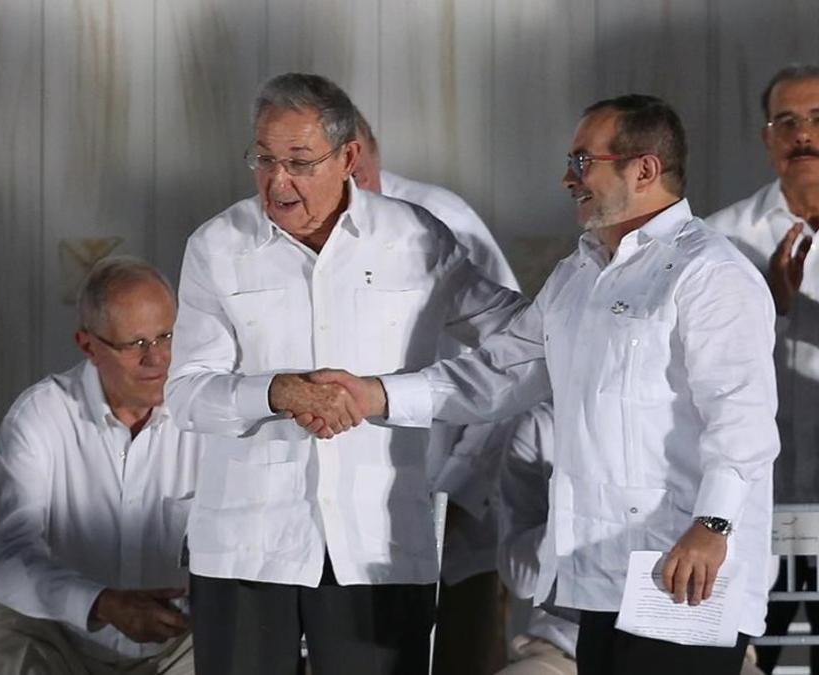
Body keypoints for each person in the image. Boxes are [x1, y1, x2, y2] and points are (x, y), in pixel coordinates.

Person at [317, 94, 779, 675]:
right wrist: (374, 395)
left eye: (584, 161)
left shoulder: (711, 274)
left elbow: (744, 420)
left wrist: (712, 527)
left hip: (685, 573)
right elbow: (498, 374)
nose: (568, 178)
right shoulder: (578, 274)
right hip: (598, 580)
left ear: (643, 169)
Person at [165, 72, 527, 675]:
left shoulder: (416, 237)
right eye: (263, 159)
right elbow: (186, 396)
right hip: (244, 549)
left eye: (299, 162)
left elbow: (512, 334)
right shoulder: (215, 245)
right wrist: (275, 392)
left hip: (379, 543)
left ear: (348, 157)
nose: (277, 181)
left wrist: (398, 397)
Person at [0, 257, 197, 675]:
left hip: (180, 640)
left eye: (167, 336)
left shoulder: (207, 412)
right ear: (88, 345)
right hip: (58, 634)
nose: (158, 359)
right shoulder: (42, 414)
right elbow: (5, 558)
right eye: (136, 344)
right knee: (8, 646)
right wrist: (101, 603)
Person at [353, 110, 517, 675]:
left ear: (371, 152)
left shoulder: (440, 222)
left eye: (361, 169)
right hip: (349, 517)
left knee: (458, 658)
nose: (353, 191)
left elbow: (513, 359)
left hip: (450, 501)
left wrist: (460, 490)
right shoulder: (298, 224)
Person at [706, 63, 819, 674]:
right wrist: (770, 309)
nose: (804, 134)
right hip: (754, 512)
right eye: (787, 121)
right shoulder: (721, 241)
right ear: (768, 138)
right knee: (750, 660)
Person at [495, 403, 578, 675]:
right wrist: (575, 514)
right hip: (565, 650)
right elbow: (522, 581)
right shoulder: (544, 426)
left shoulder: (700, 434)